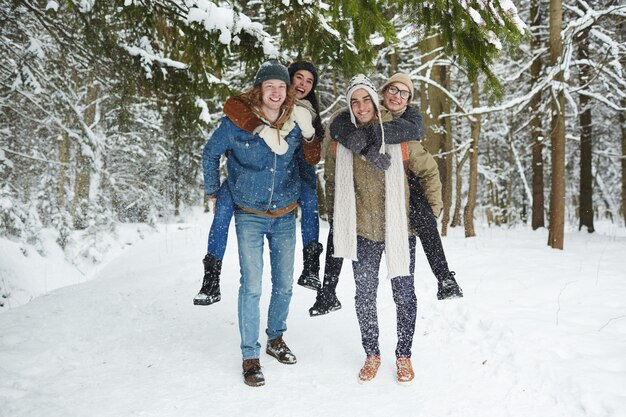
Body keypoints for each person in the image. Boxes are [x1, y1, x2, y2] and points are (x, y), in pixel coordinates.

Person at [309, 72, 463, 317]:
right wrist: (361, 143)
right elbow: (340, 126)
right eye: (393, 90)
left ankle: (444, 277)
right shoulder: (359, 116)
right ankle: (328, 291)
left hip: (406, 189)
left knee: (424, 218)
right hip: (371, 207)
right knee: (340, 226)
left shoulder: (409, 122)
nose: (397, 96)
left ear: (409, 99)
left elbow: (426, 163)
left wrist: (434, 208)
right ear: (382, 92)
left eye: (404, 93)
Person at [324, 74, 443, 384]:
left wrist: (433, 212)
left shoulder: (396, 135)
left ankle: (403, 355)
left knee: (404, 294)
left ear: (375, 101)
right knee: (364, 295)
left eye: (366, 99)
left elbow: (429, 171)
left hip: (400, 229)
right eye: (354, 101)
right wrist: (334, 216)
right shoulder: (342, 138)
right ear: (349, 106)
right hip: (361, 229)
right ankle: (372, 353)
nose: (361, 106)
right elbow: (332, 181)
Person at [203, 60, 311, 387]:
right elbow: (210, 153)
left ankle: (275, 338)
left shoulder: (294, 122)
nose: (276, 92)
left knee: (284, 284)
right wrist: (212, 191)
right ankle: (250, 355)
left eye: (281, 86)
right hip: (248, 213)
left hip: (284, 214)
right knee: (251, 286)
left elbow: (307, 160)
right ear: (259, 90)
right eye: (270, 87)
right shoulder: (238, 123)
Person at [194, 60, 323, 306]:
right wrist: (212, 190)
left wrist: (309, 135)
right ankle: (211, 279)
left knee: (310, 200)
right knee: (222, 208)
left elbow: (311, 156)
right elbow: (233, 106)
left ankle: (312, 266)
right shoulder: (255, 106)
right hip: (247, 183)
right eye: (298, 78)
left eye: (309, 81)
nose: (302, 85)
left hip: (291, 177)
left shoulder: (306, 111)